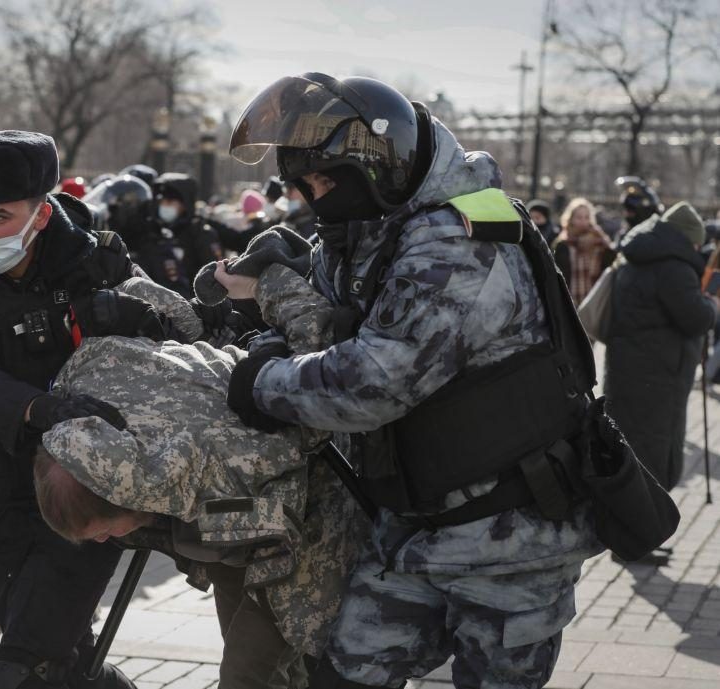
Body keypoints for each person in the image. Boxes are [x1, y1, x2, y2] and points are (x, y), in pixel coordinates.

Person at [221, 72, 602, 689]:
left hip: (509, 539)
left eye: (327, 180)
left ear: (382, 163)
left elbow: (376, 380)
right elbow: (339, 323)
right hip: (411, 525)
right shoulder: (376, 226)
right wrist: (277, 306)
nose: (318, 197)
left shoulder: (460, 235)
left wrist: (265, 383)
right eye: (306, 185)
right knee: (343, 676)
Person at [31, 256, 366, 689]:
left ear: (125, 497)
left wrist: (269, 281)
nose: (101, 542)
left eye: (102, 529)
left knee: (249, 676)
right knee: (270, 666)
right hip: (234, 531)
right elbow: (151, 303)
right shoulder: (88, 394)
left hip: (309, 521)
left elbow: (320, 361)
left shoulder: (235, 459)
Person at [0, 130, 159, 689]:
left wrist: (135, 319)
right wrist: (35, 409)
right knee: (61, 653)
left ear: (41, 213)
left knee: (27, 664)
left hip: (81, 488)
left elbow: (168, 340)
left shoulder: (96, 261)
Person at [605, 202, 718, 491]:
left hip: (632, 367)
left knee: (629, 440)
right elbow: (695, 319)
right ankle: (644, 521)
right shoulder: (673, 267)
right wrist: (711, 306)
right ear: (687, 239)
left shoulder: (639, 254)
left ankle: (628, 512)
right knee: (653, 450)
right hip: (659, 376)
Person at [152, 172, 224, 286]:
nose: (164, 206)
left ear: (185, 204)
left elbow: (214, 277)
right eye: (162, 201)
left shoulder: (201, 234)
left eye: (170, 202)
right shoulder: (155, 231)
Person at [551, 197, 616, 306]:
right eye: (579, 217)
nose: (583, 221)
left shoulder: (598, 242)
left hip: (594, 302)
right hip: (569, 303)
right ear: (571, 219)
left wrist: (603, 239)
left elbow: (611, 264)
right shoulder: (562, 244)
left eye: (587, 217)